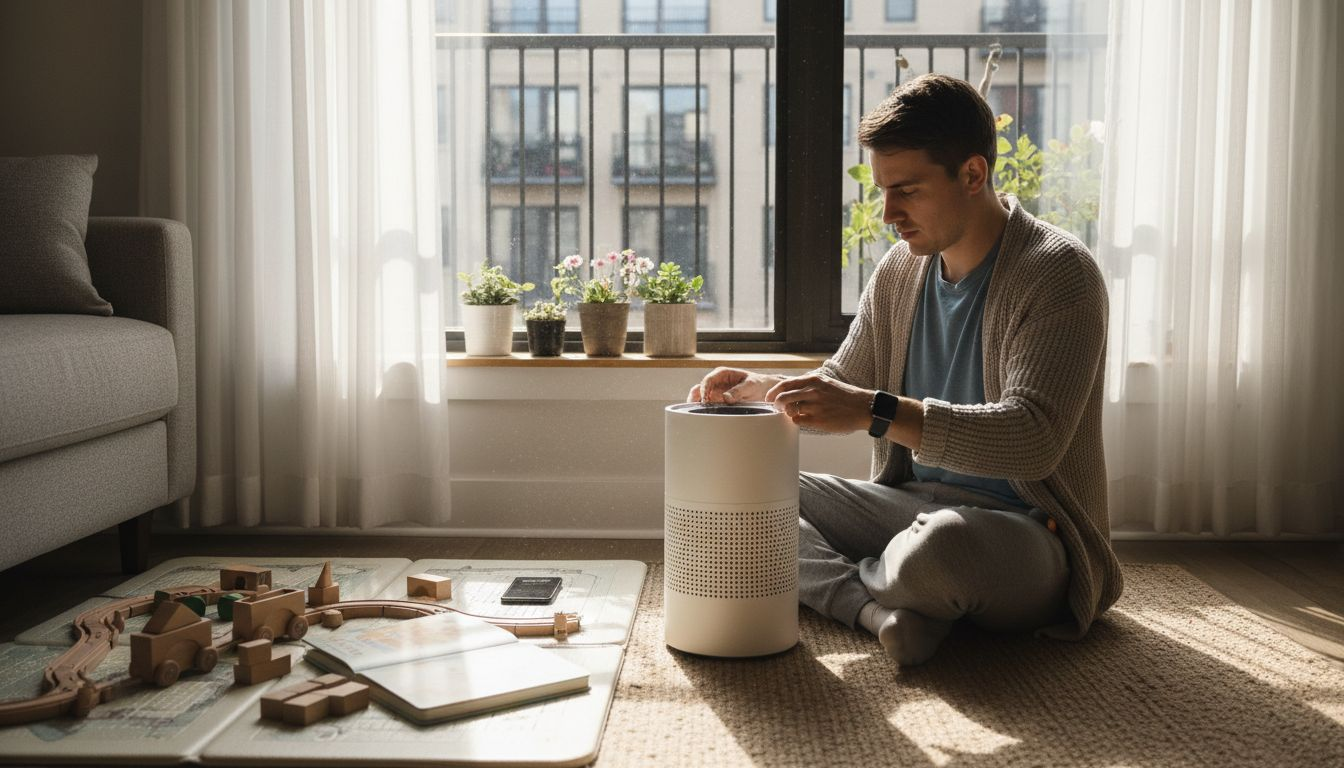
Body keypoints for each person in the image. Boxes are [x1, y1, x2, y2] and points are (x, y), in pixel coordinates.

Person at [689, 73, 1122, 665]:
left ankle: (863, 583)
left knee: (944, 549)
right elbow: (844, 383)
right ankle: (880, 613)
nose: (888, 212)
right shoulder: (901, 270)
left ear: (973, 174)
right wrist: (763, 390)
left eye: (908, 191)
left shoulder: (1059, 272)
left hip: (1027, 531)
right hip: (909, 506)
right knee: (738, 496)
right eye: (883, 191)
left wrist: (876, 412)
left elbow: (1033, 440)